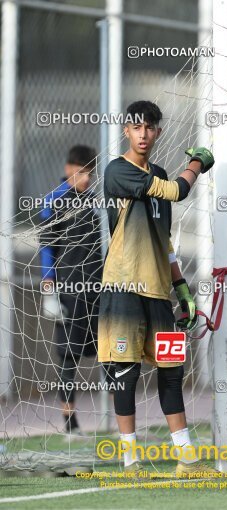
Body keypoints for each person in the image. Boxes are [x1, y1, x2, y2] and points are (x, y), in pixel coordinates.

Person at [98, 100, 217, 477]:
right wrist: (197, 163)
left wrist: (180, 286)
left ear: (158, 132)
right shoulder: (118, 171)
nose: (143, 134)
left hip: (159, 293)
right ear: (126, 132)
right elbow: (177, 191)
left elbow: (164, 241)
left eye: (149, 127)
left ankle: (188, 460)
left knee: (172, 371)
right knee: (126, 374)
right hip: (124, 290)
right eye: (136, 128)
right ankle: (130, 462)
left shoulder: (162, 171)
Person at [39, 145, 102, 437]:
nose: (86, 178)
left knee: (113, 353)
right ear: (69, 169)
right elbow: (46, 247)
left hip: (98, 290)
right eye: (81, 171)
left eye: (90, 172)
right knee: (67, 358)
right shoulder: (52, 201)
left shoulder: (94, 203)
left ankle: (122, 422)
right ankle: (70, 423)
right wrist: (49, 286)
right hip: (68, 290)